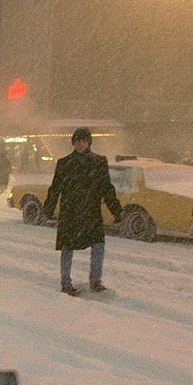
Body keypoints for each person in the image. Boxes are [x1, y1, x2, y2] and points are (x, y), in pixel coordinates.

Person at [43, 127, 122, 296]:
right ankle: (66, 283)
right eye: (77, 141)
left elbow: (107, 188)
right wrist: (48, 208)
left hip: (91, 211)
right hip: (71, 211)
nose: (80, 144)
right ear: (73, 143)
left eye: (83, 140)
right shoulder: (64, 163)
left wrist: (116, 210)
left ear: (89, 142)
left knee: (98, 245)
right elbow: (55, 188)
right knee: (67, 247)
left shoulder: (99, 162)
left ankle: (95, 281)